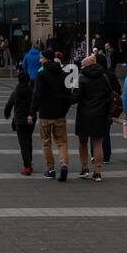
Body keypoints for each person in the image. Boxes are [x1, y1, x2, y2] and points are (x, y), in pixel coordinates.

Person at [33, 52, 74, 181]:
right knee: (62, 142)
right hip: (59, 114)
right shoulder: (63, 74)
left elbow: (37, 95)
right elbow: (68, 96)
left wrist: (32, 111)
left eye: (41, 57)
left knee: (46, 142)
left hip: (45, 114)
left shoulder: (41, 74)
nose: (40, 60)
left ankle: (50, 169)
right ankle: (64, 164)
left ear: (45, 59)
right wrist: (64, 111)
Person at [73, 55, 112, 182]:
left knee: (82, 142)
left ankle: (84, 168)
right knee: (97, 142)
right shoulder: (104, 77)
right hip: (100, 114)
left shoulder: (82, 78)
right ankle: (98, 172)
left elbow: (76, 97)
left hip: (84, 114)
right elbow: (109, 94)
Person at [4, 69, 37, 175]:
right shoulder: (32, 91)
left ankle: (27, 166)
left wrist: (7, 114)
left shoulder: (16, 91)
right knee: (29, 139)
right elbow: (36, 104)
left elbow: (9, 104)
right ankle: (30, 161)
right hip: (31, 119)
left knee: (23, 143)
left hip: (20, 119)